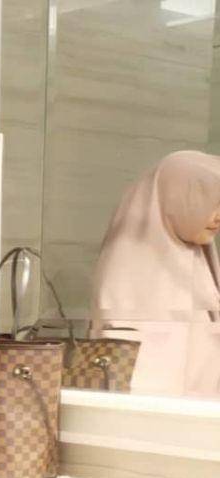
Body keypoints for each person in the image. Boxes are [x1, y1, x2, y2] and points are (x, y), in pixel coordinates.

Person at [89, 149, 220, 397]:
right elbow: (119, 358)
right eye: (207, 203)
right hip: (143, 409)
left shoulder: (202, 262)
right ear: (175, 199)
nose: (217, 217)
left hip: (202, 411)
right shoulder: (127, 266)